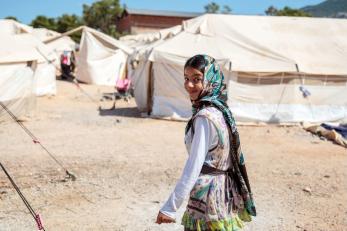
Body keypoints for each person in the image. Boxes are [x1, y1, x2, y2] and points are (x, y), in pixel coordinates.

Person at [156, 54, 256, 230]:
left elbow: (194, 165)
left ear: (210, 80)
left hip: (207, 196)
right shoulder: (220, 111)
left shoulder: (205, 117)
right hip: (224, 192)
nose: (189, 85)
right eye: (186, 78)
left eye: (197, 79)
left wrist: (170, 208)